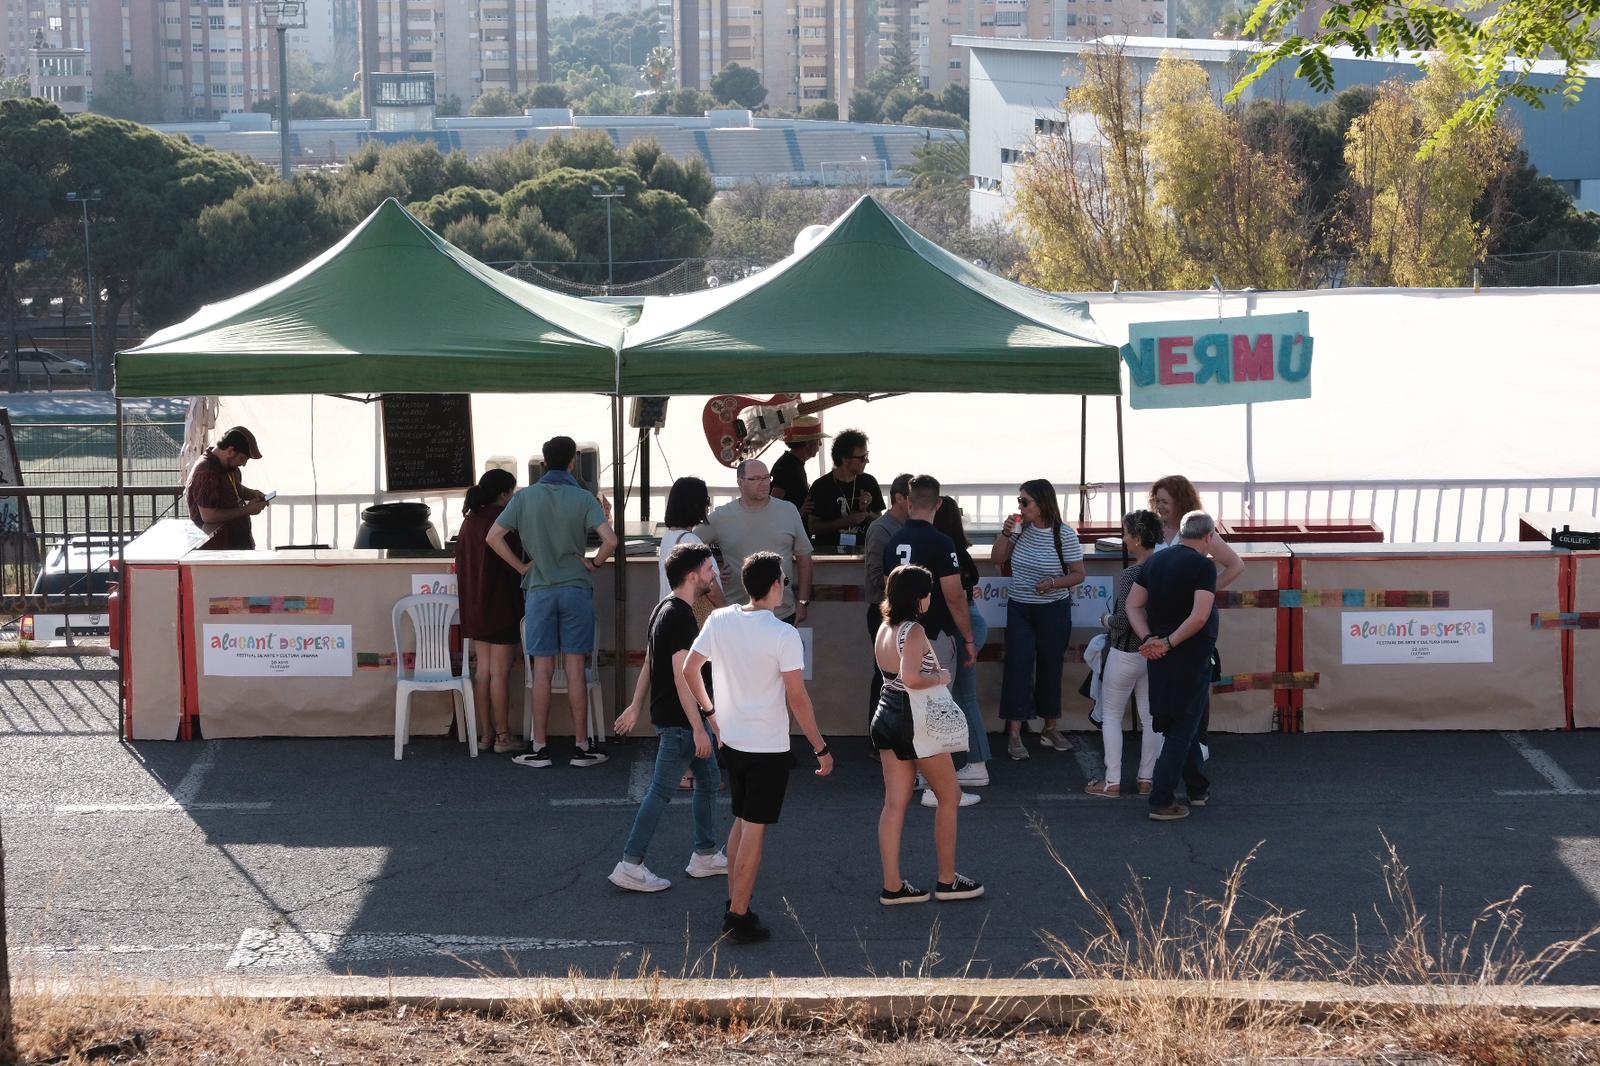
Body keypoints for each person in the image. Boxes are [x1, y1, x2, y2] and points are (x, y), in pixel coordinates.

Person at [684, 552, 834, 944]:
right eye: (783, 579)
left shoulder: (720, 619)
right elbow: (798, 699)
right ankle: (738, 915)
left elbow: (690, 669)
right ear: (774, 586)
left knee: (742, 820)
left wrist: (711, 712)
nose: (785, 585)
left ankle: (736, 903)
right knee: (753, 828)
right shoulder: (783, 634)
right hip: (767, 744)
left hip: (732, 739)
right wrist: (821, 748)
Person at [488, 435, 618, 769]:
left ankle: (539, 746)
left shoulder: (525, 498)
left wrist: (520, 566)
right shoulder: (583, 497)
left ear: (544, 462)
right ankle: (581, 746)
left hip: (539, 589)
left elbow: (493, 537)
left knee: (542, 670)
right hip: (575, 586)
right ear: (572, 462)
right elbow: (611, 540)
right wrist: (595, 562)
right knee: (576, 669)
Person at [608, 543, 727, 892]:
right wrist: (699, 727)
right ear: (692, 576)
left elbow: (649, 661)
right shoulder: (680, 616)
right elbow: (681, 674)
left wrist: (634, 705)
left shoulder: (663, 608)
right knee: (660, 791)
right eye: (708, 570)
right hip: (681, 722)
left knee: (707, 780)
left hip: (678, 719)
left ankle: (704, 855)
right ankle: (631, 863)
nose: (713, 575)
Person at [870, 564, 985, 906]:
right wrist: (941, 677)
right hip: (916, 718)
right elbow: (913, 679)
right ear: (916, 598)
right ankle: (947, 880)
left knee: (894, 804)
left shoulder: (884, 629)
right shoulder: (914, 632)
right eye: (927, 592)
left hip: (886, 714)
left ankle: (893, 885)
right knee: (949, 797)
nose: (931, 598)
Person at [884, 475, 981, 806]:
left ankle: (913, 779)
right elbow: (954, 596)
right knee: (936, 711)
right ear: (937, 504)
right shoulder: (942, 543)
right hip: (933, 636)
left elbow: (888, 593)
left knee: (907, 711)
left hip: (897, 636)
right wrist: (968, 637)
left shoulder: (893, 541)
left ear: (908, 502)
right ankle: (935, 788)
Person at [1126, 510, 1220, 821]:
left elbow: (1133, 604)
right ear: (1208, 537)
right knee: (1183, 728)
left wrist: (1150, 639)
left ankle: (1197, 788)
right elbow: (1199, 616)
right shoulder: (1204, 565)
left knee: (1181, 725)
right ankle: (1161, 799)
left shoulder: (1155, 561)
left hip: (1160, 658)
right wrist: (1167, 642)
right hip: (1188, 656)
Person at [991, 478, 1086, 761]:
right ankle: (1015, 733)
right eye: (1018, 500)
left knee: (1051, 666)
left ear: (1042, 503)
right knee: (1017, 667)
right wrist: (1006, 533)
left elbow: (1079, 574)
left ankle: (1050, 727)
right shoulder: (1020, 530)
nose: (1019, 506)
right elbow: (997, 558)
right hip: (1021, 606)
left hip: (1053, 609)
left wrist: (1055, 583)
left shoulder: (1064, 534)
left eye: (1024, 501)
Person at [1083, 509, 1164, 798]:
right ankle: (1147, 779)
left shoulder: (1132, 574)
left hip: (1126, 651)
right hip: (1156, 653)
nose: (1124, 538)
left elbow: (1122, 619)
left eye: (1127, 533)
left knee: (1112, 716)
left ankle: (1112, 781)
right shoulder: (1167, 567)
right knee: (1151, 719)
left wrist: (1105, 621)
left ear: (1138, 539)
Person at [455, 468, 524, 755]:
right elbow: (519, 556)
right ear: (503, 494)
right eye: (512, 492)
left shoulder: (469, 521)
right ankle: (504, 737)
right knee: (499, 673)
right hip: (501, 604)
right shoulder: (501, 521)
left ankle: (485, 735)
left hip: (474, 606)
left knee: (482, 671)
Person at [697, 459, 813, 625]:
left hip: (781, 614)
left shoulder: (788, 510)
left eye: (766, 478)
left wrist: (803, 602)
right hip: (738, 615)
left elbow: (805, 557)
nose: (764, 483)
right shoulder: (722, 516)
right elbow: (688, 547)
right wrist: (713, 572)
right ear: (740, 482)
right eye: (756, 479)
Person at [932, 495, 993, 785]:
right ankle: (974, 762)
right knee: (960, 697)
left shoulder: (946, 550)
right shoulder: (959, 550)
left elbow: (955, 596)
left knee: (961, 697)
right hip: (969, 621)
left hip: (962, 624)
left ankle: (976, 763)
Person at [862, 473, 913, 736]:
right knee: (886, 676)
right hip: (884, 614)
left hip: (907, 614)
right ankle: (878, 737)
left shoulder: (912, 526)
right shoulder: (881, 529)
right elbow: (875, 574)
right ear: (900, 498)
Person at [1149, 475, 1246, 588]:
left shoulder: (1200, 529)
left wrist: (1205, 590)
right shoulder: (1152, 528)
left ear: (1181, 503)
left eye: (1165, 502)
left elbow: (1236, 565)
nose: (1159, 506)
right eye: (1157, 501)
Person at [185, 426, 268, 550]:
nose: (243, 464)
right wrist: (248, 510)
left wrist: (253, 493)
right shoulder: (206, 472)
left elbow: (237, 489)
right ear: (230, 451)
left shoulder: (228, 467)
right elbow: (209, 516)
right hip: (216, 551)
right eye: (242, 458)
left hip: (235, 545)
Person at [806, 429, 885, 552]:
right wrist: (845, 521)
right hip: (829, 556)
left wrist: (866, 512)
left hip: (863, 554)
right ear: (845, 459)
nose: (867, 461)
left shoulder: (869, 482)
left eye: (866, 455)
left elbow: (880, 522)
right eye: (862, 458)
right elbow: (813, 527)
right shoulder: (821, 486)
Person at [769, 415, 825, 518]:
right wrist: (801, 511)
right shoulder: (787, 466)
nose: (820, 444)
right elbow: (773, 506)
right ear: (808, 443)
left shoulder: (792, 463)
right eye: (818, 440)